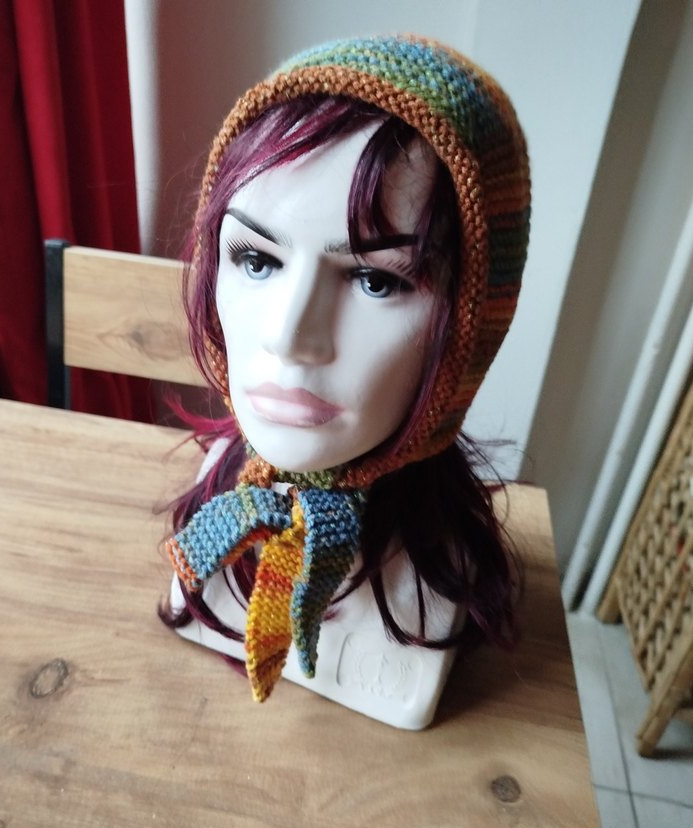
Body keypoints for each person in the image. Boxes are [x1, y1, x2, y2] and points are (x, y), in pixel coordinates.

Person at [160, 35, 531, 728]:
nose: (289, 336)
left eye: (376, 280)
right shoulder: (220, 502)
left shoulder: (435, 584)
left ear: (471, 326)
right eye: (256, 260)